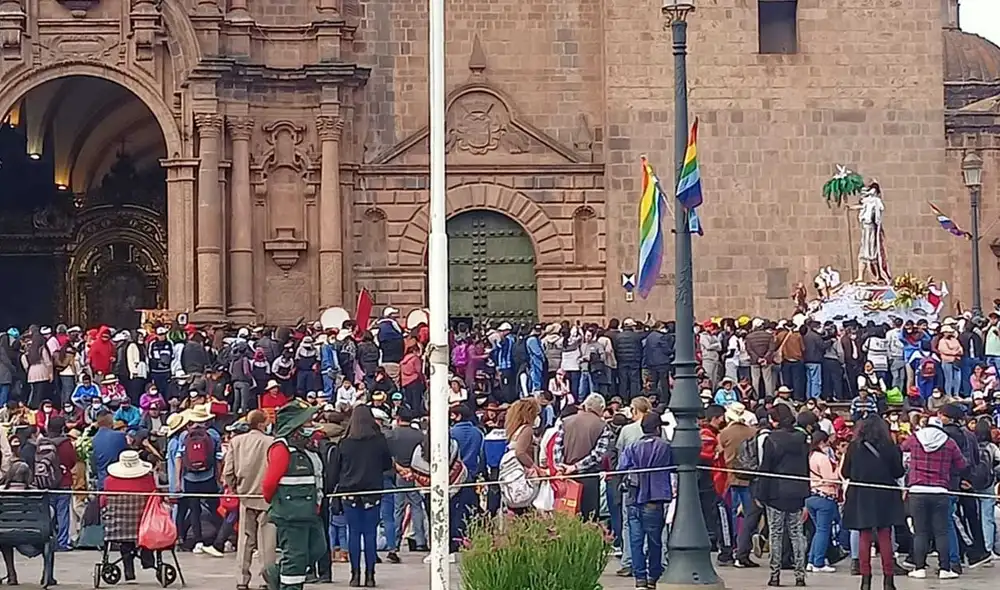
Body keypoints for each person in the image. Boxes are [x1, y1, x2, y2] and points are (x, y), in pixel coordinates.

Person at [262, 400, 329, 590]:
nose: (311, 425)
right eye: (307, 422)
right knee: (296, 557)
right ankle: (289, 585)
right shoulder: (281, 449)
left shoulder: (306, 448)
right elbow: (268, 483)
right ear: (295, 426)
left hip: (309, 512)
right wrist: (279, 504)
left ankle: (275, 573)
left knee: (318, 549)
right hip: (291, 514)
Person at [328, 404, 394, 587]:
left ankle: (355, 575)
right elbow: (387, 465)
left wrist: (330, 490)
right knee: (370, 534)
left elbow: (335, 470)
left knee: (354, 534)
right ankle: (370, 575)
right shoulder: (379, 441)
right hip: (372, 492)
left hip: (349, 492)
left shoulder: (345, 443)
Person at [840, 415, 906, 590]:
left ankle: (865, 580)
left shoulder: (854, 447)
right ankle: (888, 580)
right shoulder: (890, 447)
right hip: (885, 494)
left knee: (864, 536)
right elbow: (898, 472)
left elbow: (845, 472)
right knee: (885, 536)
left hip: (861, 494)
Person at [901, 416, 966, 580]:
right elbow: (962, 464)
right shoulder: (949, 442)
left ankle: (919, 568)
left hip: (917, 490)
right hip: (940, 491)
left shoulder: (915, 438)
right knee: (941, 532)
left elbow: (902, 448)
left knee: (920, 532)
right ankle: (945, 568)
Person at [617, 412, 674, 589]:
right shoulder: (665, 447)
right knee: (655, 540)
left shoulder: (633, 447)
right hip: (654, 499)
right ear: (657, 428)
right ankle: (653, 577)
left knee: (635, 541)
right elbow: (676, 465)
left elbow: (621, 468)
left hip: (633, 498)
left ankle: (639, 578)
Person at [223, 409, 277, 590]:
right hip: (267, 497)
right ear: (262, 424)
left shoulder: (236, 442)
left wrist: (235, 489)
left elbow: (227, 472)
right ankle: (266, 580)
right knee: (267, 542)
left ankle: (242, 579)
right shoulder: (271, 442)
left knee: (245, 539)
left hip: (245, 495)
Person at [756, 404, 809, 587]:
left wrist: (760, 494)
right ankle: (800, 575)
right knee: (796, 534)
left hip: (776, 492)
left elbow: (766, 468)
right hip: (797, 491)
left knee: (776, 534)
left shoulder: (772, 439)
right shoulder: (802, 438)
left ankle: (775, 574)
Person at [173, 405, 223, 555]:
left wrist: (178, 481)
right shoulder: (213, 435)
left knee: (194, 510)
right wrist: (219, 478)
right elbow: (219, 459)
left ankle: (198, 542)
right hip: (208, 477)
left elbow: (179, 459)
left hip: (190, 479)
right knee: (215, 508)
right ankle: (221, 540)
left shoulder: (184, 436)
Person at [102, 450, 157, 582]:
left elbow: (102, 502)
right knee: (141, 526)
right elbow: (154, 499)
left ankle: (128, 569)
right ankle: (147, 557)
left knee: (124, 536)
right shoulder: (147, 480)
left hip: (118, 526)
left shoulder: (109, 481)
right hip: (143, 525)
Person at [804, 431, 839, 574]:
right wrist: (838, 468)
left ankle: (811, 560)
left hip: (811, 496)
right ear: (822, 442)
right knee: (824, 531)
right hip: (825, 496)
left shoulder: (809, 456)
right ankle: (818, 562)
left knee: (818, 531)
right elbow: (830, 478)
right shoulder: (822, 458)